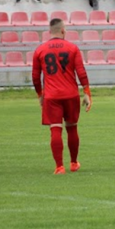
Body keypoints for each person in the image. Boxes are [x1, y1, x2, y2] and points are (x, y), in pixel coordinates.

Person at [32, 18, 92, 174]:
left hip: (51, 96)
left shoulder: (40, 50)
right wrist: (86, 92)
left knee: (55, 129)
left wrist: (40, 94)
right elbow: (81, 72)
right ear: (63, 30)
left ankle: (59, 167)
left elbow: (35, 76)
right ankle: (73, 163)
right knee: (72, 128)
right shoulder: (72, 48)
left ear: (49, 32)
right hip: (71, 94)